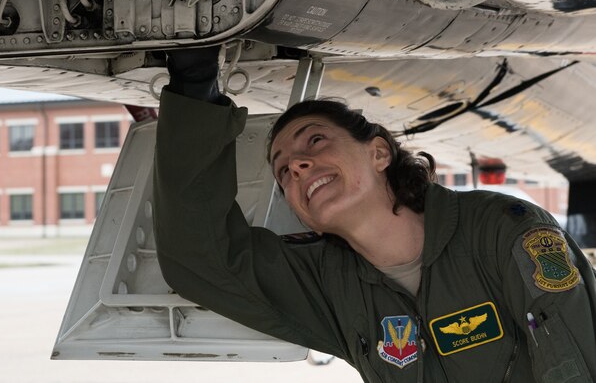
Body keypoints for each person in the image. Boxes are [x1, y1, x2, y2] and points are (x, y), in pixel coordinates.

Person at [152, 47, 596, 382]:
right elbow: (202, 259)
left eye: (316, 142)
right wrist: (194, 88)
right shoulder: (329, 284)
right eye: (283, 171)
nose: (297, 166)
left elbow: (575, 359)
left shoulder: (504, 230)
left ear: (380, 152)